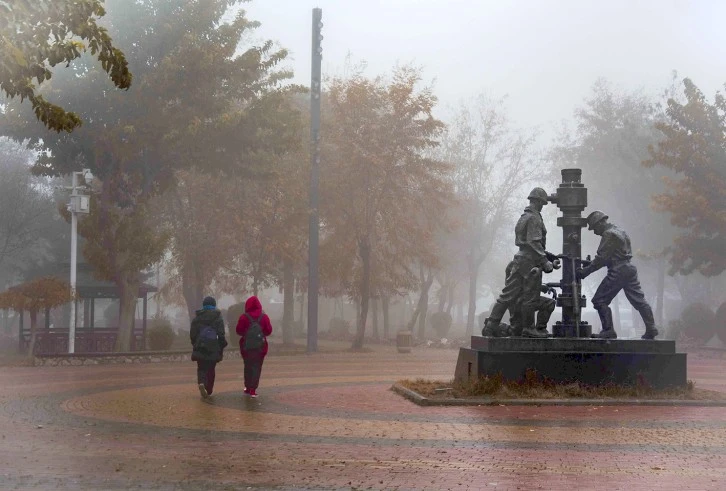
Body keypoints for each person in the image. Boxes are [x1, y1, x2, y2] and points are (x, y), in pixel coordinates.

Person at [482, 187, 556, 338]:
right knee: (530, 297)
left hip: (521, 259)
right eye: (542, 203)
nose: (542, 206)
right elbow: (534, 242)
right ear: (537, 201)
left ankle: (491, 326)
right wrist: (545, 262)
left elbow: (527, 244)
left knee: (506, 295)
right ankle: (529, 328)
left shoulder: (524, 216)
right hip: (529, 263)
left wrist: (548, 256)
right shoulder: (534, 218)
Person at [577, 211, 659, 340]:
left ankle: (608, 331)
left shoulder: (608, 234)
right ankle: (651, 328)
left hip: (618, 270)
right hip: (629, 268)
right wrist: (592, 264)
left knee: (599, 300)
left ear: (600, 222)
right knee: (639, 301)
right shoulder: (620, 231)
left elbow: (602, 259)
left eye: (594, 228)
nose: (594, 232)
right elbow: (615, 254)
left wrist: (585, 271)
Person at [190, 296, 227, 399]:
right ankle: (209, 389)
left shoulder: (197, 317)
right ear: (214, 305)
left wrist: (195, 343)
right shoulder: (218, 317)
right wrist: (222, 344)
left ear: (204, 305)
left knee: (201, 367)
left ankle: (201, 382)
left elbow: (193, 334)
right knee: (211, 368)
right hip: (213, 347)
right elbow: (221, 334)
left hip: (200, 346)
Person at [235, 295, 273, 397]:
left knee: (248, 366)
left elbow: (238, 330)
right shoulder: (264, 317)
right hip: (260, 347)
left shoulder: (244, 317)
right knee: (257, 367)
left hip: (246, 347)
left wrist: (246, 334)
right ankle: (253, 389)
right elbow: (269, 331)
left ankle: (247, 387)